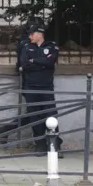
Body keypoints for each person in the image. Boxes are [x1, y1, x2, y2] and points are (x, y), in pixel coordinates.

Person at [0, 17, 44, 143]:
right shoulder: (26, 44)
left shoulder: (31, 43)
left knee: (36, 111)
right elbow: (25, 63)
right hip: (29, 81)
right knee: (35, 112)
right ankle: (39, 141)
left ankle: (5, 130)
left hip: (37, 81)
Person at [19, 24, 63, 156]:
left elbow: (50, 63)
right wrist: (40, 63)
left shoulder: (51, 46)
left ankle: (55, 144)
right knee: (34, 116)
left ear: (39, 34)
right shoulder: (26, 47)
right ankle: (40, 144)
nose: (29, 36)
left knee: (51, 115)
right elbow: (24, 65)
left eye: (32, 34)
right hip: (31, 87)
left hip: (46, 87)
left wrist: (34, 61)